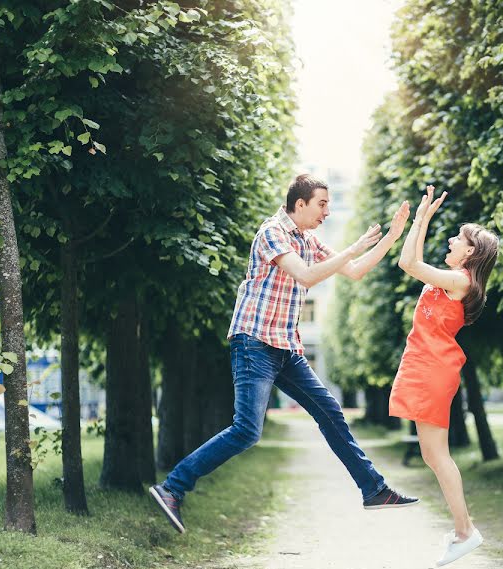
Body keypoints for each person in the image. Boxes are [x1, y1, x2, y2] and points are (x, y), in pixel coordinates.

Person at [150, 174, 419, 534]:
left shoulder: (308, 239)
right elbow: (306, 277)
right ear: (300, 203)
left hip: (285, 346)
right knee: (246, 430)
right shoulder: (272, 233)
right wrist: (352, 247)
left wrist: (390, 237)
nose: (327, 211)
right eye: (322, 204)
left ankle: (374, 489)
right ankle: (172, 487)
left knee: (330, 411)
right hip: (254, 341)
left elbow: (353, 271)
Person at [391, 185, 499, 566]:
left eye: (459, 238)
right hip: (426, 363)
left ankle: (465, 531)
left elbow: (408, 264)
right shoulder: (452, 278)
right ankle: (463, 529)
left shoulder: (460, 281)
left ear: (470, 251)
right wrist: (421, 219)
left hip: (434, 366)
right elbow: (412, 258)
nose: (451, 240)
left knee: (437, 455)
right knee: (432, 454)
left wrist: (421, 220)